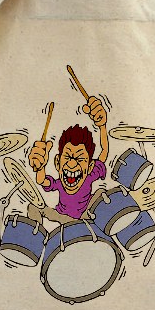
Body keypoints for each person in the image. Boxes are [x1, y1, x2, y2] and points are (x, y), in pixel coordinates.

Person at [27, 96, 108, 224]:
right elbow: (42, 180)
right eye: (68, 157)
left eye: (80, 158)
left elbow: (104, 152)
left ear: (90, 166)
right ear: (57, 163)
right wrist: (40, 167)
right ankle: (35, 234)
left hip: (84, 217)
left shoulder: (90, 175)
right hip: (61, 216)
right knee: (33, 207)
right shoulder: (59, 184)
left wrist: (102, 126)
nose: (72, 164)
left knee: (101, 193)